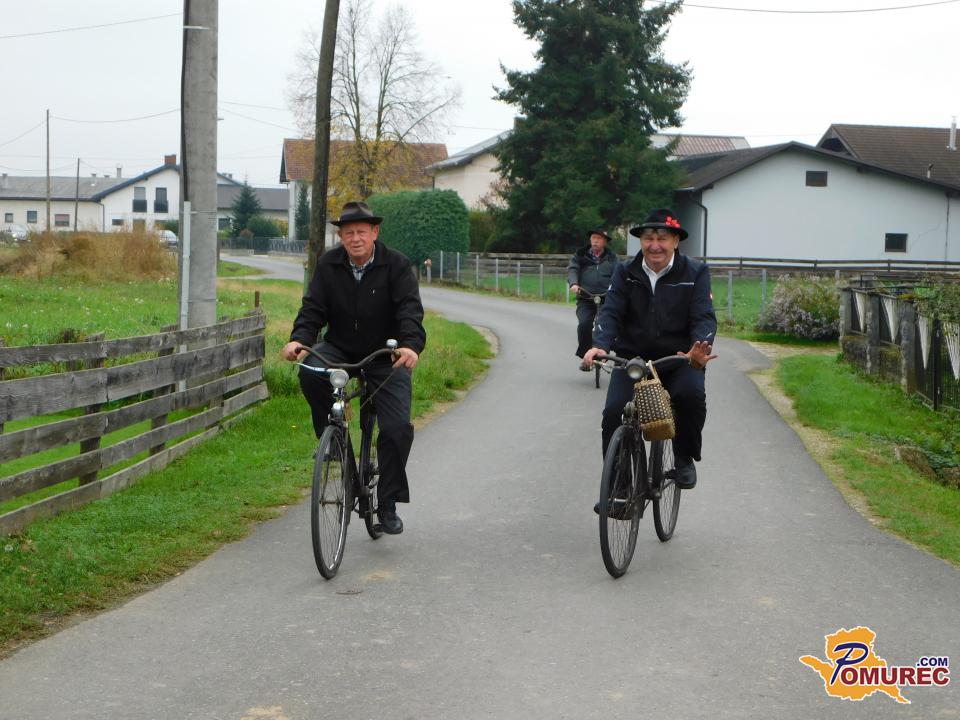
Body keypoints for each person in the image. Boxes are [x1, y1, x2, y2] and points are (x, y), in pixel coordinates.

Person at [281, 201, 426, 534]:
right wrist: (299, 340)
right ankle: (333, 439)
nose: (355, 238)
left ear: (375, 232)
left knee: (396, 429)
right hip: (341, 348)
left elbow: (410, 310)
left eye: (362, 231)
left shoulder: (397, 265)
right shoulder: (329, 264)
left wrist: (410, 346)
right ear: (341, 236)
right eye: (349, 233)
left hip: (385, 353)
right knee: (310, 370)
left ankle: (387, 503)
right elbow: (313, 309)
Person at [582, 208, 717, 490]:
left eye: (662, 238)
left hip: (679, 358)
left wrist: (698, 349)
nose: (655, 245)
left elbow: (703, 315)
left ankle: (684, 457)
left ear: (676, 241)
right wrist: (599, 346)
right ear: (641, 241)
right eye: (648, 238)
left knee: (690, 396)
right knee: (613, 413)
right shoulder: (625, 271)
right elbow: (611, 311)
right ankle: (619, 487)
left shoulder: (695, 272)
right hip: (633, 359)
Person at [566, 229, 618, 362]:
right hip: (586, 298)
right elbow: (573, 269)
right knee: (584, 324)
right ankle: (585, 356)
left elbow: (617, 274)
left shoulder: (612, 258)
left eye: (599, 238)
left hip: (606, 298)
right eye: (593, 238)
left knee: (605, 325)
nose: (595, 241)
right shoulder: (580, 255)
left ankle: (604, 352)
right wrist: (573, 283)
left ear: (605, 242)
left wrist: (615, 287)